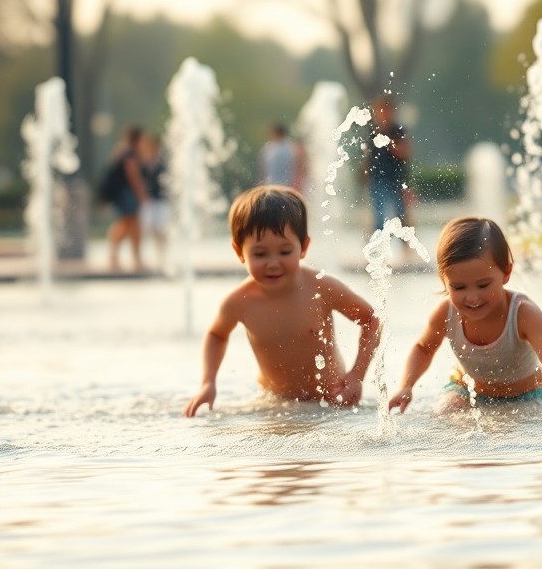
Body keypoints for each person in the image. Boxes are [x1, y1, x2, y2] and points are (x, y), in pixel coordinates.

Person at [184, 186, 382, 416]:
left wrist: (356, 375)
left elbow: (371, 319)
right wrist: (208, 383)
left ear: (303, 247)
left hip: (332, 401)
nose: (273, 263)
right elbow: (216, 334)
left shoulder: (321, 288)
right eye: (260, 254)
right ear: (239, 252)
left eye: (285, 252)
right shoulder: (239, 301)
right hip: (276, 404)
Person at [387, 217, 542, 423]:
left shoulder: (523, 313)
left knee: (522, 427)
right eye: (458, 287)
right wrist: (406, 386)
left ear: (506, 272)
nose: (472, 297)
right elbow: (424, 347)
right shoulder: (446, 312)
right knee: (443, 416)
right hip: (466, 390)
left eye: (483, 285)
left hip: (524, 396)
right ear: (444, 280)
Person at [365, 96, 411, 233]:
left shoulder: (397, 130)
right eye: (379, 111)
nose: (382, 115)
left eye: (385, 111)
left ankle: (406, 245)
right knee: (379, 213)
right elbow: (369, 156)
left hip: (395, 178)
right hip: (377, 178)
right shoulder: (373, 131)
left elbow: (405, 152)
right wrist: (364, 172)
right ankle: (375, 244)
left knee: (400, 213)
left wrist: (390, 141)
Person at [105, 124, 147, 271]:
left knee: (131, 224)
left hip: (123, 194)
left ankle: (127, 256)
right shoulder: (130, 154)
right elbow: (133, 174)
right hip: (127, 194)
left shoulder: (122, 151)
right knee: (127, 223)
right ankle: (120, 256)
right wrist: (141, 193)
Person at [138, 131, 170, 271]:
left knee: (161, 229)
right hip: (148, 201)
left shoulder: (162, 163)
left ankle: (161, 256)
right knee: (146, 228)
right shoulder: (143, 163)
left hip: (160, 200)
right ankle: (141, 256)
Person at [258, 122, 308, 191]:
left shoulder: (267, 149)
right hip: (285, 186)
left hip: (274, 186)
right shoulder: (293, 146)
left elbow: (263, 171)